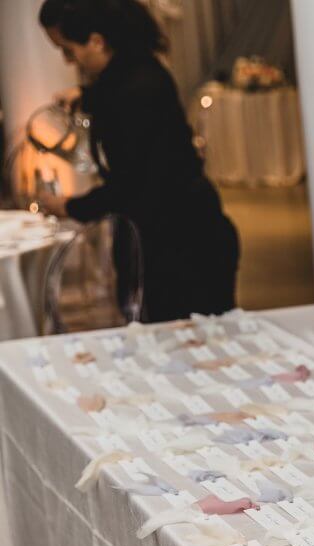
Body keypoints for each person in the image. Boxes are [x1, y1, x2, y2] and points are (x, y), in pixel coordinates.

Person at [36, 0, 239, 322]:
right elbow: (115, 98)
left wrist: (71, 206)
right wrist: (84, 96)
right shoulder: (133, 72)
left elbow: (132, 184)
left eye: (69, 51)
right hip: (172, 231)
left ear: (97, 41)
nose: (67, 60)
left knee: (182, 342)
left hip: (182, 243)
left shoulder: (136, 88)